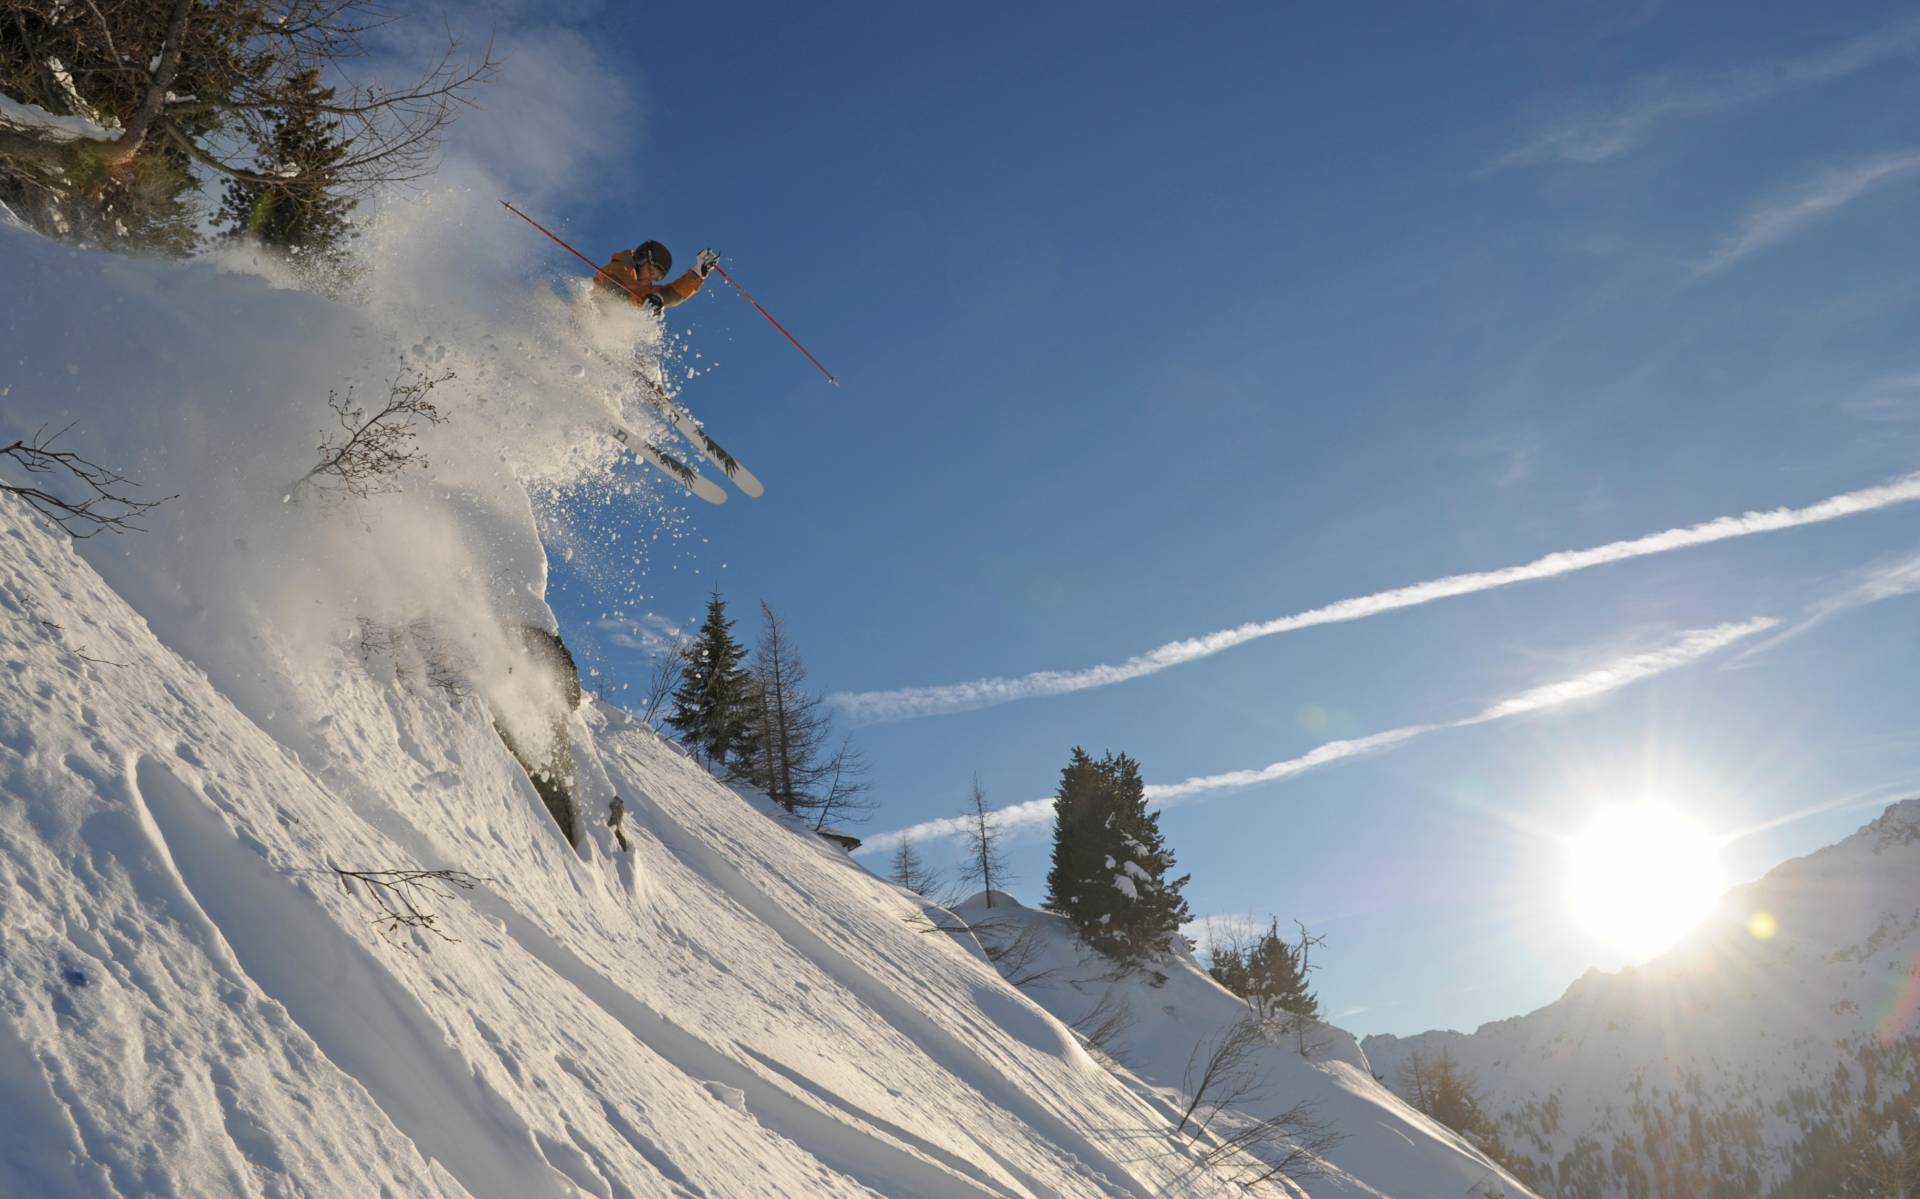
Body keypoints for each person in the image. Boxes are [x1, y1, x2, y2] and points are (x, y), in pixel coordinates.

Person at [597, 239, 719, 313]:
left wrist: (697, 273)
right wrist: (645, 299)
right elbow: (619, 286)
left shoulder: (646, 291)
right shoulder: (617, 268)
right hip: (589, 319)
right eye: (652, 271)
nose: (650, 278)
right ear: (641, 259)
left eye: (657, 277)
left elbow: (672, 294)